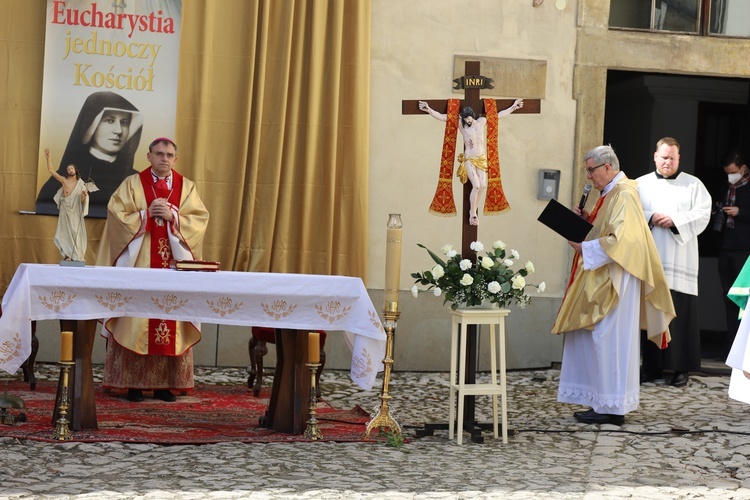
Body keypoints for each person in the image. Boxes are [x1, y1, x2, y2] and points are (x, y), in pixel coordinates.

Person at [552, 145, 675, 425]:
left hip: (617, 281)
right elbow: (609, 231)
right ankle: (602, 401)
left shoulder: (625, 193)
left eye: (591, 170)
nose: (588, 176)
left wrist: (586, 247)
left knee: (609, 341)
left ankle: (612, 406)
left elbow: (624, 241)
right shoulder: (612, 194)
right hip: (607, 276)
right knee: (598, 339)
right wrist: (586, 223)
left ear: (608, 168)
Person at [96, 137, 209, 402]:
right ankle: (132, 384)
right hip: (139, 269)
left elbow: (200, 221)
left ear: (175, 158)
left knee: (171, 319)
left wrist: (175, 218)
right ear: (148, 156)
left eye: (169, 154)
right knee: (135, 321)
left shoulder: (187, 188)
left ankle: (165, 385)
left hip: (173, 271)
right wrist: (145, 215)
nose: (164, 159)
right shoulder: (132, 184)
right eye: (159, 154)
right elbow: (116, 215)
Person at [636, 137, 711, 387]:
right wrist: (650, 216)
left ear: (679, 159)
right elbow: (627, 213)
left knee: (680, 314)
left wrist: (675, 221)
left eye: (672, 158)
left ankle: (681, 369)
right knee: (651, 314)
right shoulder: (639, 185)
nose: (668, 162)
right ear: (655, 156)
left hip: (681, 261)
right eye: (664, 157)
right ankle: (652, 367)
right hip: (650, 261)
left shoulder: (693, 185)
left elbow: (703, 214)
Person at [36, 91, 144, 218]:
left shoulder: (135, 179)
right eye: (110, 121)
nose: (119, 130)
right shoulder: (62, 180)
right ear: (91, 125)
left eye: (125, 123)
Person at [418, 98, 523, 225]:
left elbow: (498, 116)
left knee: (483, 186)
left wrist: (513, 107)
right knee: (477, 185)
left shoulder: (481, 122)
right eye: (464, 118)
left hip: (481, 158)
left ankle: (474, 209)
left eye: (467, 118)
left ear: (472, 116)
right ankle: (472, 214)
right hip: (469, 159)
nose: (466, 120)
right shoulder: (461, 125)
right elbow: (442, 117)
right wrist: (429, 109)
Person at [716, 148, 750, 358]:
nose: (731, 176)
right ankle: (730, 349)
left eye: (733, 172)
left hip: (744, 249)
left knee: (743, 300)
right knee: (729, 298)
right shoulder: (725, 186)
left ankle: (744, 350)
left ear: (743, 168)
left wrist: (740, 212)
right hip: (725, 247)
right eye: (727, 172)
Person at [43, 148, 90, 261]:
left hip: (75, 211)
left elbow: (82, 202)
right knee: (66, 233)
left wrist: (84, 196)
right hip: (65, 209)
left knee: (75, 232)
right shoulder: (64, 180)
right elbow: (51, 170)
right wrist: (48, 158)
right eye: (68, 169)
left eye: (72, 168)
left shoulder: (81, 184)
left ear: (75, 170)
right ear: (67, 172)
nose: (70, 170)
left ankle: (77, 255)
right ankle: (69, 255)